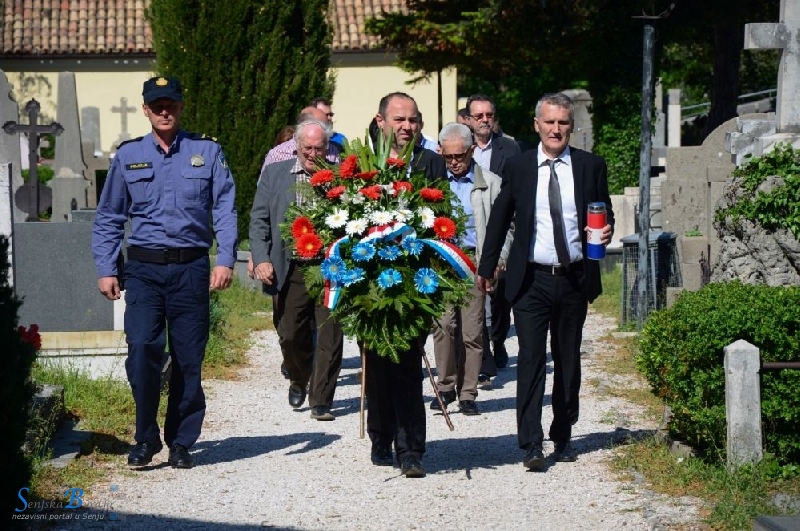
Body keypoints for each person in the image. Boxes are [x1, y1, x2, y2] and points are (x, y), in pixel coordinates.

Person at [92, 76, 237, 469]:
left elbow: (224, 207)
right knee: (141, 352)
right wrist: (107, 267)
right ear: (146, 109)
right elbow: (109, 216)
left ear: (180, 106)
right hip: (143, 270)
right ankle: (145, 438)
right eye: (156, 105)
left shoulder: (206, 152)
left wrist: (225, 259)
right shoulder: (128, 156)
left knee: (189, 359)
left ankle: (181, 441)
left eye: (170, 103)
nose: (164, 111)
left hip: (191, 268)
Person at [476, 92, 614, 471]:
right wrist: (486, 268)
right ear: (537, 125)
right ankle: (531, 443)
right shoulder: (519, 167)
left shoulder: (590, 166)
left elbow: (604, 214)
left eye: (563, 123)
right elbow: (500, 218)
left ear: (572, 126)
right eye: (549, 122)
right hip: (531, 279)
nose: (556, 129)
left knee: (568, 364)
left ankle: (563, 431)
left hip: (572, 277)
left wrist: (604, 234)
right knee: (532, 361)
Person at [366, 92, 447, 478]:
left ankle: (411, 448)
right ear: (381, 122)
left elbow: (441, 217)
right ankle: (380, 435)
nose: (406, 127)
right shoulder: (363, 162)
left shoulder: (430, 162)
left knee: (408, 364)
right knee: (378, 363)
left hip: (415, 278)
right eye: (398, 120)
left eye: (412, 120)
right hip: (368, 280)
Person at [249, 120, 345, 422]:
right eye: (308, 148)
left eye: (319, 148)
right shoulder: (276, 173)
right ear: (296, 147)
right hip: (291, 266)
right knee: (290, 333)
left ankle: (321, 400)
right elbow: (258, 220)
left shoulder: (339, 176)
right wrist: (261, 258)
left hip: (329, 265)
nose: (313, 154)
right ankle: (298, 376)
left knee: (330, 334)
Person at [430, 122, 512, 416]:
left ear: (472, 151)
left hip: (474, 262)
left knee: (472, 331)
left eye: (460, 156)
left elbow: (506, 227)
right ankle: (446, 385)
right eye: (448, 157)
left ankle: (468, 393)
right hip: (441, 261)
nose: (453, 162)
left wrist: (497, 260)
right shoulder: (434, 183)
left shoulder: (491, 183)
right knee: (442, 327)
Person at [464, 94, 521, 382]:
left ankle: (498, 340)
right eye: (479, 116)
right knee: (476, 302)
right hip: (477, 229)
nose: (485, 120)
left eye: (489, 115)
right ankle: (483, 356)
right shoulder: (461, 147)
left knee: (499, 300)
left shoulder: (509, 148)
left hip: (504, 228)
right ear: (468, 119)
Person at [260, 106, 339, 172]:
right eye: (323, 126)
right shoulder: (277, 155)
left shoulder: (333, 151)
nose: (313, 154)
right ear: (303, 125)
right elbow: (265, 186)